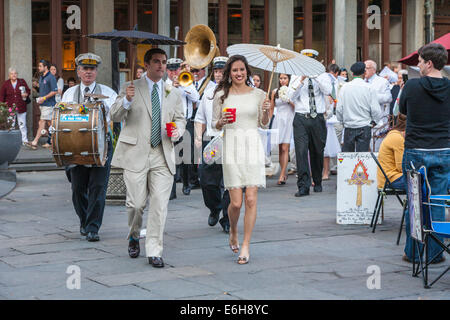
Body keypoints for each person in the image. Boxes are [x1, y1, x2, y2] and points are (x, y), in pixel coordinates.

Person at [110, 48, 186, 268]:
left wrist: (178, 131)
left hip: (163, 154)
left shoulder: (174, 91)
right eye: (156, 62)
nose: (161, 66)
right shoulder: (131, 87)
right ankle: (134, 235)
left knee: (160, 205)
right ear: (146, 64)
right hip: (135, 153)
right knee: (135, 204)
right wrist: (126, 100)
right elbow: (114, 115)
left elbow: (180, 119)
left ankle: (154, 250)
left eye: (163, 62)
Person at [212, 55, 270, 264]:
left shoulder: (259, 94)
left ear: (247, 72)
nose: (239, 73)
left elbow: (263, 124)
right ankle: (233, 230)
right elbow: (214, 124)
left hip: (252, 146)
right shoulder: (221, 94)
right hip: (232, 147)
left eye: (242, 70)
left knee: (251, 199)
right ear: (229, 72)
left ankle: (246, 245)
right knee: (235, 203)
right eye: (235, 70)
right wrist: (221, 121)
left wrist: (266, 111)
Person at [399, 43, 449, 264]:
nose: (417, 65)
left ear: (429, 63)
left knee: (415, 201)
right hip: (444, 150)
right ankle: (436, 252)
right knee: (437, 201)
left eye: (419, 61)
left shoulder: (412, 86)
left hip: (416, 149)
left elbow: (401, 111)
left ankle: (415, 252)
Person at [61, 53, 117, 242]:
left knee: (98, 188)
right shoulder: (69, 94)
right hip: (75, 147)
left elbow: (117, 115)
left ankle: (93, 227)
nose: (88, 72)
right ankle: (84, 220)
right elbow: (60, 119)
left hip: (101, 148)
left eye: (92, 69)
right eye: (85, 68)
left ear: (96, 71)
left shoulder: (108, 93)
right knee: (77, 189)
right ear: (78, 71)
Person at [194, 56, 230, 233]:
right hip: (212, 140)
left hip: (231, 140)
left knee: (230, 182)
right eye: (216, 71)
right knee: (206, 180)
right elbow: (200, 118)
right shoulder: (208, 93)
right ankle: (215, 207)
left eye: (222, 71)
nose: (218, 74)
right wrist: (198, 137)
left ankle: (227, 218)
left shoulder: (236, 92)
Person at [290, 49, 332, 197]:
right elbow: (291, 96)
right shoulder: (296, 75)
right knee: (301, 152)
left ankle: (318, 180)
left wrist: (316, 77)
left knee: (317, 151)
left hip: (318, 117)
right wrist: (301, 80)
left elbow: (328, 90)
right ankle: (303, 185)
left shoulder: (323, 75)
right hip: (301, 117)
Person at [167, 58, 200, 196]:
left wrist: (183, 86)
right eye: (171, 70)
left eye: (176, 69)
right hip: (171, 122)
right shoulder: (165, 84)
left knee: (186, 154)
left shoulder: (187, 81)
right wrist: (173, 88)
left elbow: (196, 98)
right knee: (171, 155)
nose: (174, 72)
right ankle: (171, 189)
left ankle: (186, 183)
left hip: (186, 122)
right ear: (167, 71)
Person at [336, 62, 382, 152]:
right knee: (362, 159)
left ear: (352, 73)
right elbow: (376, 110)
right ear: (364, 72)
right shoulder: (369, 88)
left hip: (349, 126)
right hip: (364, 126)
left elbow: (339, 108)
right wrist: (375, 121)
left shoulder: (345, 88)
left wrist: (342, 121)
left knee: (348, 158)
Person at [270, 73, 294, 185]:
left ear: (288, 79)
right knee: (280, 148)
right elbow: (271, 108)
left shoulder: (292, 91)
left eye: (285, 78)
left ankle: (282, 174)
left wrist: (288, 100)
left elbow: (296, 106)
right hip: (278, 120)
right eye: (281, 78)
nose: (283, 80)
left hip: (289, 119)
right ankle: (283, 172)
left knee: (285, 148)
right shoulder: (275, 92)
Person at [364, 59, 392, 151]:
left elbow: (388, 98)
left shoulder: (382, 82)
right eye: (364, 68)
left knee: (376, 152)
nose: (365, 70)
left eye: (367, 68)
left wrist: (372, 96)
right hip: (363, 122)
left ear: (374, 70)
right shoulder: (362, 82)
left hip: (378, 123)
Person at [30, 60, 58, 150]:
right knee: (50, 124)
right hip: (43, 104)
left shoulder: (51, 77)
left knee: (42, 122)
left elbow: (54, 91)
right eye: (38, 66)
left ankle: (35, 141)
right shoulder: (42, 77)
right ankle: (54, 141)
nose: (39, 68)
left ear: (46, 67)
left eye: (40, 66)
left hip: (49, 104)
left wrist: (44, 98)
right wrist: (37, 86)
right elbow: (44, 89)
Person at [0, 67, 31, 146]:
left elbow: (28, 90)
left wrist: (26, 94)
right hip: (10, 109)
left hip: (21, 107)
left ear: (17, 74)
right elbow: (1, 96)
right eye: (12, 74)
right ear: (9, 75)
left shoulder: (22, 81)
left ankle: (24, 140)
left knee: (22, 125)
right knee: (11, 125)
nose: (14, 75)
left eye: (15, 73)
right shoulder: (6, 83)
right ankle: (11, 141)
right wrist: (2, 107)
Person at [376, 114, 406, 190]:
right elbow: (401, 167)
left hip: (387, 178)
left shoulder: (394, 135)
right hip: (391, 180)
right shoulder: (398, 138)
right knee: (425, 180)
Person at [323, 64, 341, 180]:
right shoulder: (324, 85)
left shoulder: (340, 84)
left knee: (334, 144)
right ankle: (325, 170)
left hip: (335, 116)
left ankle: (333, 167)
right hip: (325, 117)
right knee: (325, 146)